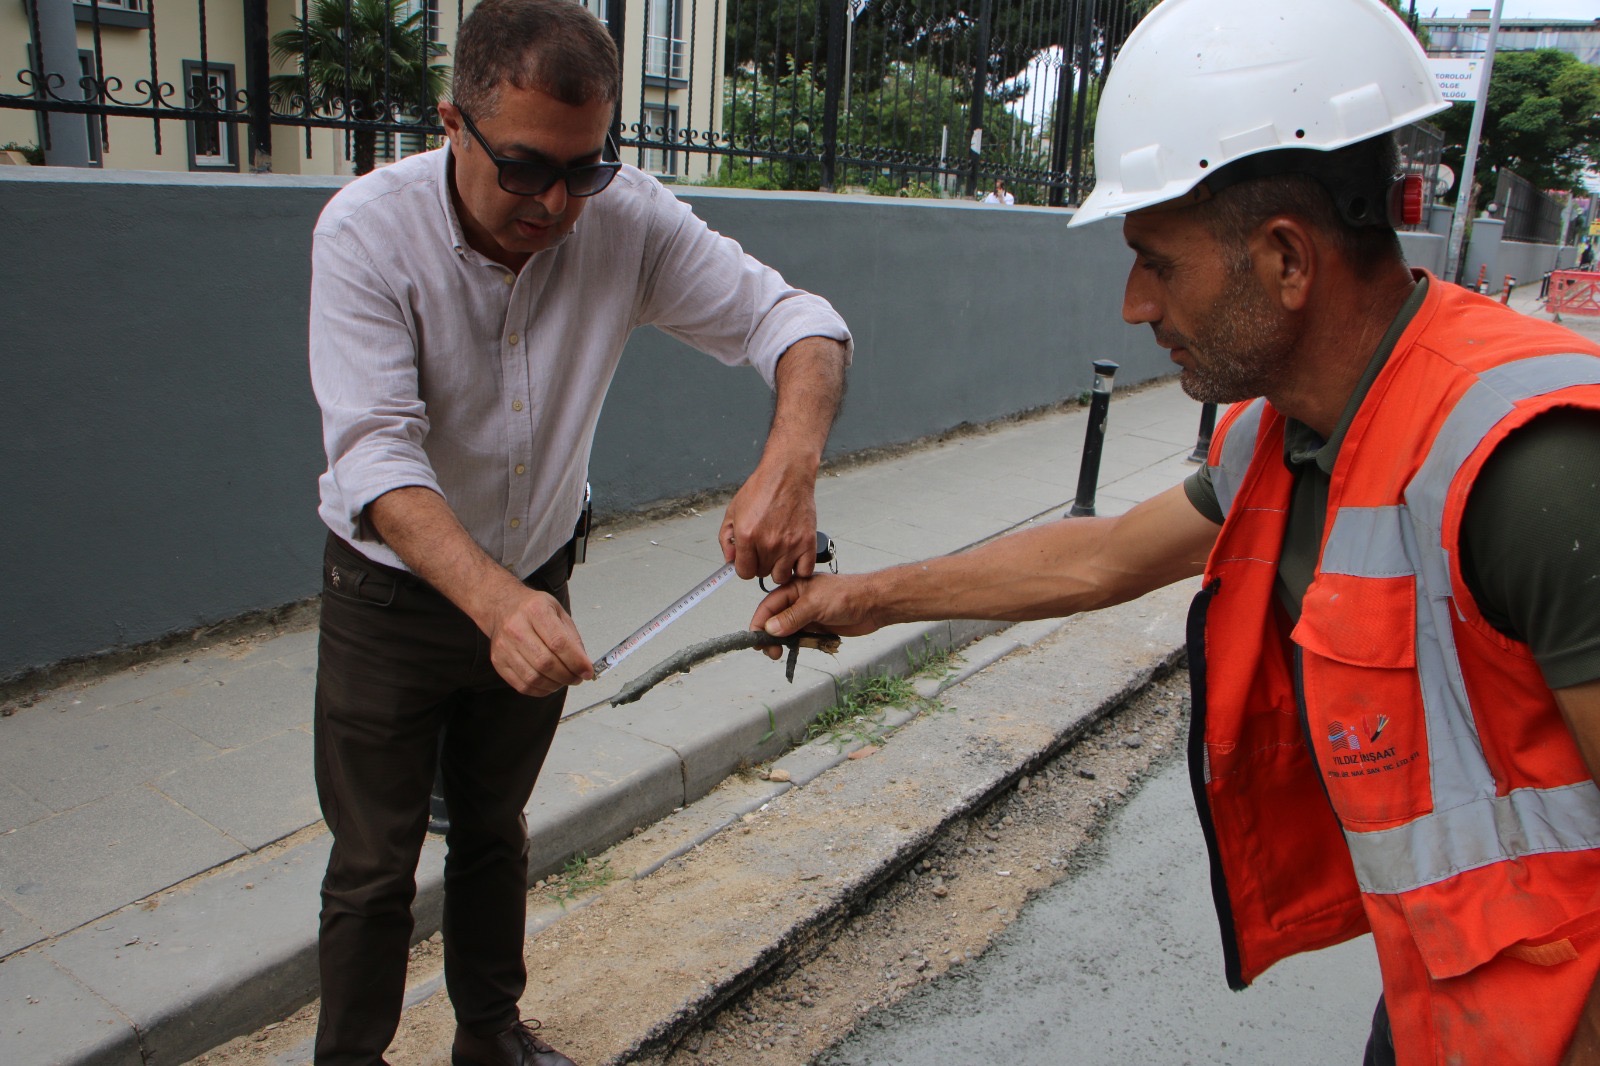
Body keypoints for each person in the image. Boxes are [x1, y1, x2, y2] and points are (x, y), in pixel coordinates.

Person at [751, 0, 1600, 1062]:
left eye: (1158, 260)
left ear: (1286, 260)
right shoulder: (1290, 433)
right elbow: (1103, 556)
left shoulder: (1533, 469)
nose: (1131, 303)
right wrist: (858, 598)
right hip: (1450, 999)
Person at [307, 0, 851, 1062]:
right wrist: (496, 601)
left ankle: (490, 1035)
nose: (556, 203)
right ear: (450, 124)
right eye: (523, 168)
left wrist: (790, 467)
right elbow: (374, 456)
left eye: (584, 168)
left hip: (539, 566)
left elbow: (800, 322)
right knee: (373, 864)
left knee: (495, 830)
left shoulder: (625, 217)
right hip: (389, 592)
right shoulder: (366, 232)